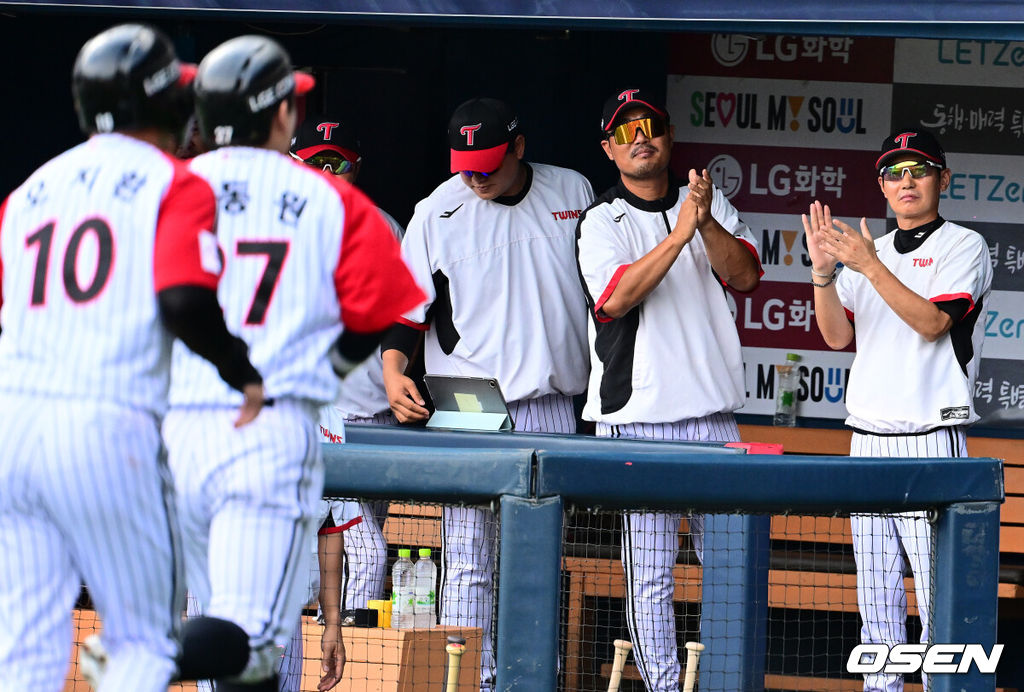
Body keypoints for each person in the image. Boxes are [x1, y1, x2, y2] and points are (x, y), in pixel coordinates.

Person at [0, 23, 265, 692]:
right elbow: (183, 299)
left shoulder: (29, 191)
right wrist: (241, 371)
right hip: (104, 427)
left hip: (12, 425)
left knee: (23, 644)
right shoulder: (174, 182)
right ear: (167, 107)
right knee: (142, 642)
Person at [162, 35, 423, 692]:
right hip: (271, 428)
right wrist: (327, 368)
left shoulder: (174, 188)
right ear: (280, 117)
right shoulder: (330, 199)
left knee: (208, 612)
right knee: (254, 644)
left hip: (180, 434)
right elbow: (388, 306)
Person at [381, 97, 594, 691]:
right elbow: (405, 312)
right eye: (466, 165)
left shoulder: (571, 190)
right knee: (469, 560)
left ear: (520, 147)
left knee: (537, 560)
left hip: (551, 401)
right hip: (466, 399)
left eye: (489, 164)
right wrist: (394, 369)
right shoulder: (436, 209)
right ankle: (468, 683)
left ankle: (529, 680)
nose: (475, 177)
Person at [574, 87, 761, 692]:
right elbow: (617, 298)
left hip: (713, 419)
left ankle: (724, 682)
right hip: (641, 419)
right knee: (651, 575)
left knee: (727, 566)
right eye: (624, 132)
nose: (640, 138)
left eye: (649, 125)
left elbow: (746, 275)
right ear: (608, 148)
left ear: (670, 133)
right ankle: (661, 685)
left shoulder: (708, 201)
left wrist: (702, 222)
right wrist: (681, 233)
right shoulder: (600, 220)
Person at [802, 128, 992, 692]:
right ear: (882, 186)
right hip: (867, 441)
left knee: (940, 603)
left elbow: (935, 324)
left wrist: (867, 265)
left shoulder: (964, 245)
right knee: (877, 604)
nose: (906, 182)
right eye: (894, 172)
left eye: (919, 169)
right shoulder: (872, 251)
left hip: (930, 438)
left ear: (943, 179)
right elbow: (836, 337)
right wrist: (823, 272)